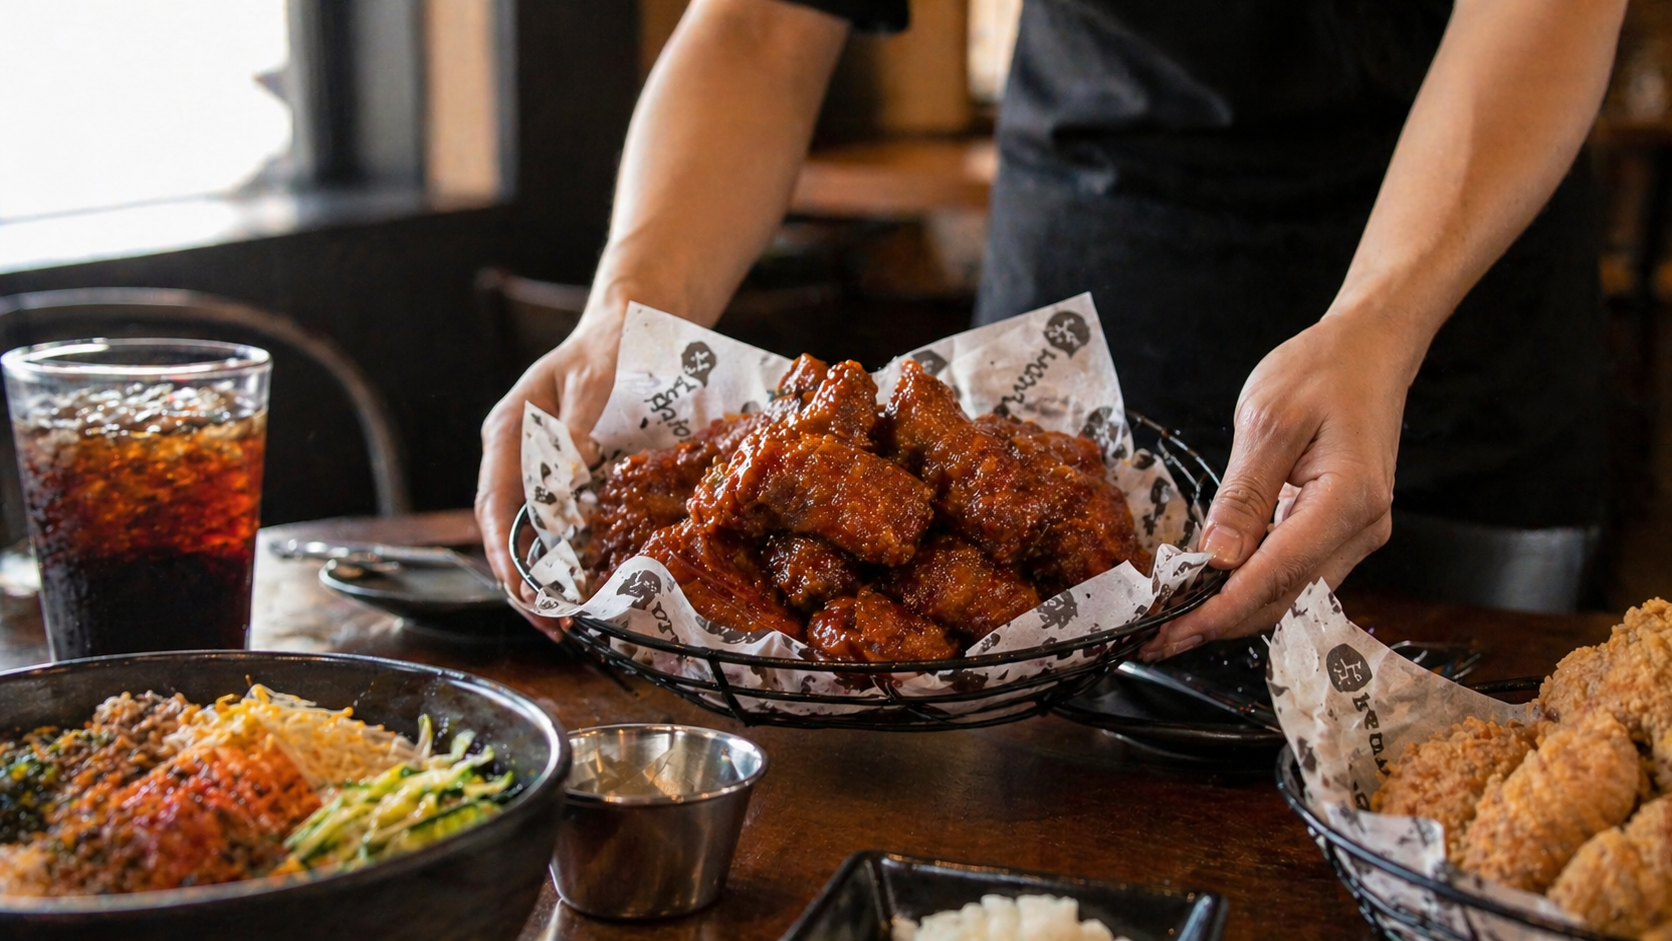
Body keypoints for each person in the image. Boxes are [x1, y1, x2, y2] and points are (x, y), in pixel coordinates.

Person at [476, 0, 1626, 659]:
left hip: (1437, 346)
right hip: (1075, 311)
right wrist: (625, 307)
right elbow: (766, 27)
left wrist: (1383, 315)